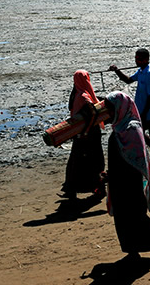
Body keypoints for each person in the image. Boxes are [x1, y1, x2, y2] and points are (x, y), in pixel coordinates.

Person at [103, 91, 150, 258]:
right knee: (122, 219)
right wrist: (109, 175)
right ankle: (131, 250)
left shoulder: (132, 129)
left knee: (135, 217)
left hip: (131, 183)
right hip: (118, 182)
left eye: (110, 110)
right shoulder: (118, 128)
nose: (108, 114)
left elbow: (139, 158)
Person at [109, 48, 150, 170]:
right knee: (143, 133)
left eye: (139, 58)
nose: (137, 60)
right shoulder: (141, 71)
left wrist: (144, 113)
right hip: (142, 109)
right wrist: (116, 71)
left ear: (146, 59)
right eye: (136, 58)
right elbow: (128, 80)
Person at [60, 70, 105, 202]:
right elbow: (93, 112)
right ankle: (79, 189)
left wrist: (84, 131)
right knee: (89, 162)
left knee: (79, 162)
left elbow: (91, 112)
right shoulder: (83, 93)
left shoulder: (81, 95)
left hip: (85, 135)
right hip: (88, 133)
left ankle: (74, 190)